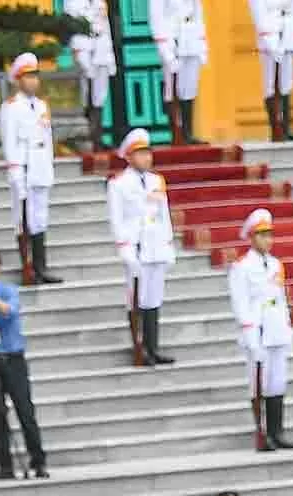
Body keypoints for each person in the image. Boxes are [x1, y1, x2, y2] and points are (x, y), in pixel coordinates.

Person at [0, 253, 47, 480]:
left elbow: (9, 310)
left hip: (13, 358)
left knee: (25, 410)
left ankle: (38, 461)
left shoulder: (8, 290)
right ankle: (5, 465)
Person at [107, 128, 177, 369]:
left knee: (154, 299)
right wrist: (124, 249)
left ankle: (154, 346)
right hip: (136, 247)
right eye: (141, 153)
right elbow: (117, 220)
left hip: (156, 245)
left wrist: (169, 244)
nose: (147, 158)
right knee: (137, 299)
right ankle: (140, 347)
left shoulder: (157, 181)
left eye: (148, 153)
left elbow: (164, 215)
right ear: (128, 156)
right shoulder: (118, 184)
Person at [230, 211, 293, 453]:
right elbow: (241, 304)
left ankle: (277, 431)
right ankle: (262, 434)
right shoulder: (241, 267)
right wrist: (250, 337)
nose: (268, 240)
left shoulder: (276, 264)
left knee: (277, 384)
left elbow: (280, 299)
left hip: (276, 328)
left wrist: (287, 328)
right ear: (251, 237)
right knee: (259, 384)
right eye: (262, 235)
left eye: (270, 235)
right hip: (258, 331)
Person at [0, 55, 64, 287]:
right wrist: (15, 171)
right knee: (23, 219)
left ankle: (41, 266)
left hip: (40, 168)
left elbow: (46, 140)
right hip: (24, 170)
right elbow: (10, 142)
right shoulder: (11, 107)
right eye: (27, 77)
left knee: (40, 219)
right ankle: (28, 267)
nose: (33, 81)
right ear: (18, 80)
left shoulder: (41, 105)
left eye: (35, 76)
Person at [149, 0, 206, 145]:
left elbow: (199, 15)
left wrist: (203, 46)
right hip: (173, 42)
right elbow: (156, 19)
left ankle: (188, 133)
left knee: (189, 89)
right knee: (172, 90)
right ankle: (176, 133)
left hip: (191, 42)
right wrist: (165, 50)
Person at [63, 0, 113, 147]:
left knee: (100, 94)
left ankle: (97, 136)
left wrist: (110, 56)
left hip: (102, 48)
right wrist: (77, 50)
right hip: (84, 47)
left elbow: (105, 23)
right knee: (86, 92)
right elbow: (72, 23)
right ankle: (86, 136)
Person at [252, 0, 293, 140]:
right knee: (270, 84)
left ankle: (285, 128)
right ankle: (275, 129)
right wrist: (269, 40)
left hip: (288, 34)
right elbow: (258, 14)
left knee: (286, 83)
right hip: (270, 36)